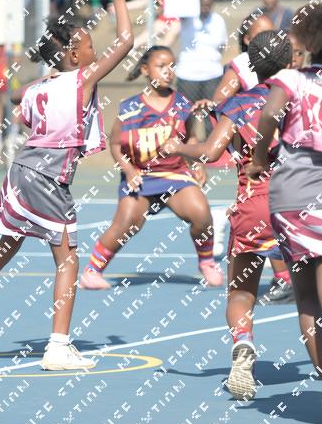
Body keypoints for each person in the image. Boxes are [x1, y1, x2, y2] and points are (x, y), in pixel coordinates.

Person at [0, 0, 135, 371]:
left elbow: (19, 105)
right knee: (68, 259)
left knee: (8, 243)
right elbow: (126, 41)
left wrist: (48, 78)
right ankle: (58, 347)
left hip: (20, 170)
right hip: (48, 175)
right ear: (73, 56)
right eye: (89, 44)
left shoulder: (37, 88)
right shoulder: (80, 81)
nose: (95, 49)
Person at [161, 31, 293, 399]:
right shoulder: (301, 100)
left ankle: (243, 342)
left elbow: (210, 151)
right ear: (290, 61)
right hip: (298, 205)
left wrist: (180, 147)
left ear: (249, 63)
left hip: (253, 206)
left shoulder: (240, 103)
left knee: (240, 293)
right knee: (319, 294)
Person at [248, 5, 322, 424]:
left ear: (307, 45)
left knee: (306, 296)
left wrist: (259, 159)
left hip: (288, 197)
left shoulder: (291, 80)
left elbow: (267, 117)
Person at [79, 45, 223, 291]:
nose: (168, 71)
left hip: (174, 174)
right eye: (161, 66)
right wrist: (128, 170)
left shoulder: (182, 104)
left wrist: (196, 163)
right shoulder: (130, 108)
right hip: (141, 175)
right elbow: (115, 145)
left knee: (201, 213)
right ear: (145, 69)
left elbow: (191, 138)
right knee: (126, 224)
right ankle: (92, 271)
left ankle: (207, 262)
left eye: (171, 66)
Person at [192, 14, 294, 304]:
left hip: (269, 174)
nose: (271, 37)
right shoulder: (240, 69)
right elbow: (221, 100)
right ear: (248, 41)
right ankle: (286, 278)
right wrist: (214, 107)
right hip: (268, 163)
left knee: (260, 213)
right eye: (263, 33)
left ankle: (285, 279)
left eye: (273, 32)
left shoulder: (286, 78)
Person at [163, 0, 228, 138]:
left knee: (211, 115)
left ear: (212, 5)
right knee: (186, 115)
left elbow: (223, 45)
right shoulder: (187, 19)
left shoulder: (218, 20)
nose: (205, 8)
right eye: (202, 5)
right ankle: (186, 146)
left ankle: (209, 146)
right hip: (187, 75)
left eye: (208, 5)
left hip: (212, 75)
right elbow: (174, 10)